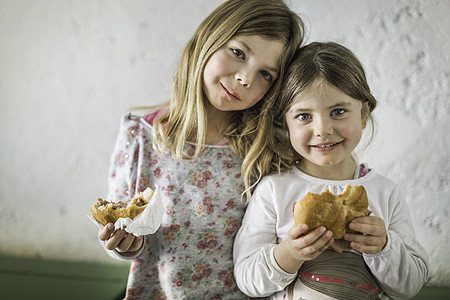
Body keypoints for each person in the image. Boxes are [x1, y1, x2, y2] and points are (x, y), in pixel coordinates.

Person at [96, 0, 305, 299]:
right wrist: (125, 244)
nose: (245, 78)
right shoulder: (139, 135)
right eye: (238, 53)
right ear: (209, 39)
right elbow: (119, 225)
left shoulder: (269, 151)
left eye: (265, 74)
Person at [233, 42, 429, 300]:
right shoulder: (274, 190)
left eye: (338, 111)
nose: (322, 129)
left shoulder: (386, 192)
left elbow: (411, 285)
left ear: (363, 114)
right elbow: (247, 279)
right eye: (304, 116)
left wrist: (384, 247)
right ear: (285, 122)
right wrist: (290, 254)